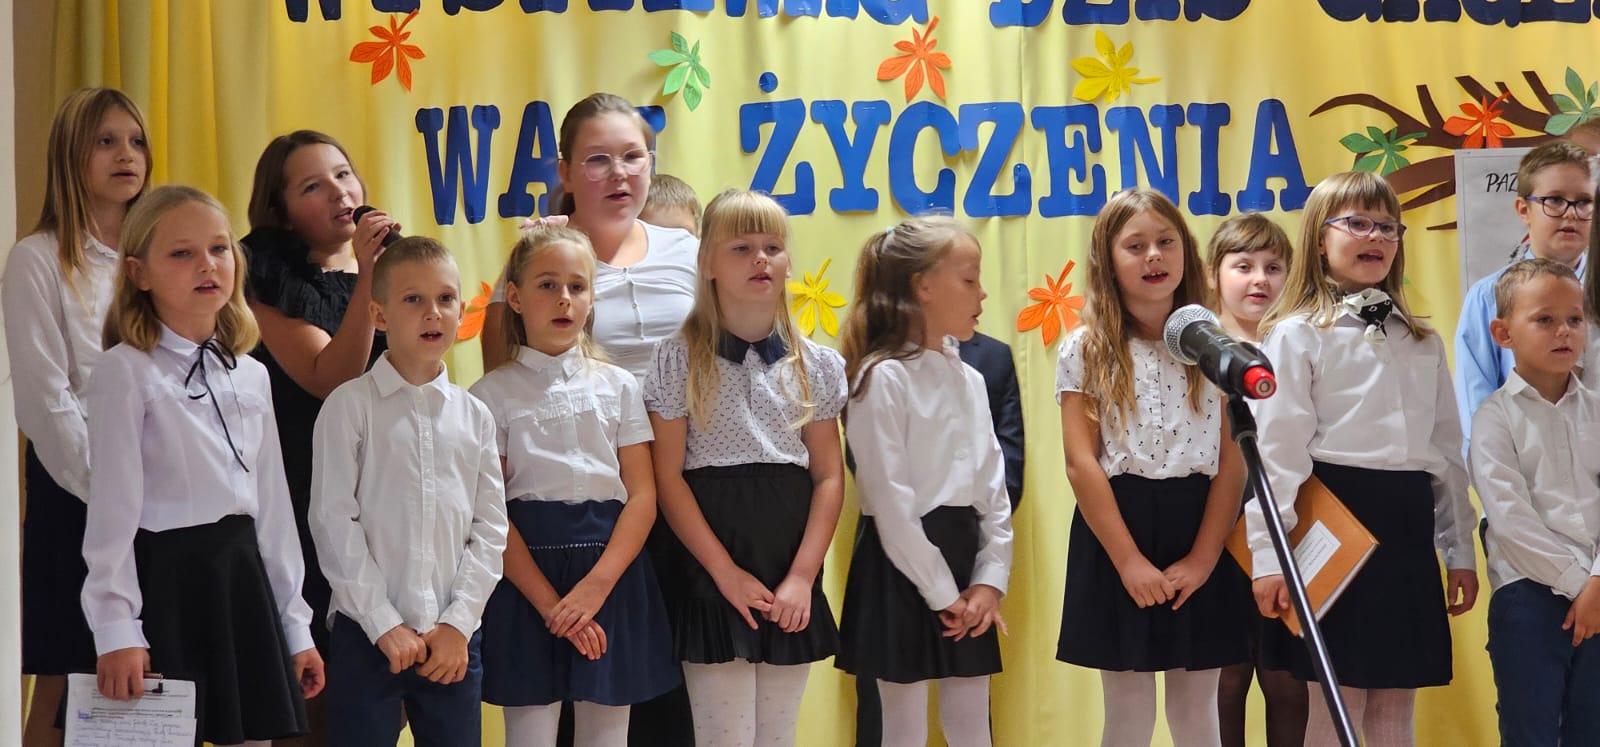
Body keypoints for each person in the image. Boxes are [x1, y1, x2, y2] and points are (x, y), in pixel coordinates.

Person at [83, 185, 323, 744]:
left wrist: (295, 627)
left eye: (218, 249)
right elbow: (112, 514)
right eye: (181, 253)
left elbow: (273, 513)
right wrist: (117, 628)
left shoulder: (251, 374)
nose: (207, 265)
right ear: (139, 273)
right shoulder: (126, 371)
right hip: (167, 587)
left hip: (242, 583)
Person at [1250, 171, 1478, 747]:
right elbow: (1277, 454)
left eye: (1387, 227)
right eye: (1357, 223)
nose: (1375, 236)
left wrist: (1458, 549)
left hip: (1405, 525)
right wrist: (1269, 556)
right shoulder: (1297, 335)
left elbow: (1445, 455)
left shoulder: (1422, 340)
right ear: (1318, 239)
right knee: (1337, 699)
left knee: (1396, 700)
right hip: (1334, 518)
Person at [643, 190, 845, 747]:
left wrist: (803, 576)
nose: (760, 259)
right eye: (741, 248)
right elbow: (668, 478)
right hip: (713, 566)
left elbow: (829, 477)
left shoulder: (816, 364)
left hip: (788, 565)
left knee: (777, 735)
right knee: (724, 736)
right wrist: (724, 573)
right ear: (707, 262)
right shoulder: (678, 359)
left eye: (772, 247)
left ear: (788, 262)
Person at [1056, 189, 1250, 747]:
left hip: (1201, 524)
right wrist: (1128, 562)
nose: (1154, 256)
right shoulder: (1086, 348)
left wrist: (1204, 559)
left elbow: (1232, 465)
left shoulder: (1216, 347)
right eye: (1135, 246)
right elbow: (1080, 463)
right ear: (1107, 259)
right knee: (1128, 713)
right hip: (1118, 527)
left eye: (1166, 242)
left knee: (1197, 711)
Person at [473, 226, 680, 746]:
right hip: (526, 575)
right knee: (529, 736)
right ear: (515, 297)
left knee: (606, 736)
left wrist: (596, 587)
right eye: (547, 285)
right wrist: (550, 605)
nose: (564, 298)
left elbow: (643, 496)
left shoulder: (619, 386)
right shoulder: (489, 396)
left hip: (610, 571)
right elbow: (491, 513)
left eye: (577, 286)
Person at [309, 237, 508, 747]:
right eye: (413, 299)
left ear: (461, 310)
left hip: (452, 639)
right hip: (366, 634)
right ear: (379, 314)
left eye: (445, 298)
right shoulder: (349, 407)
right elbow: (332, 522)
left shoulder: (475, 416)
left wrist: (459, 623)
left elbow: (490, 529)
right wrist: (383, 623)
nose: (433, 312)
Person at [3, 87, 150, 746]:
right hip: (78, 492)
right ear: (70, 153)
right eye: (106, 141)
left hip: (162, 495)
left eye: (137, 141)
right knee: (68, 678)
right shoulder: (37, 259)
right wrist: (113, 492)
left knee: (152, 681)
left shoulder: (159, 258)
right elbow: (46, 400)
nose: (127, 155)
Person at [835, 216, 1014, 747]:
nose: (982, 293)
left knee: (971, 724)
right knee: (903, 727)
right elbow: (890, 503)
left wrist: (989, 579)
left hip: (965, 560)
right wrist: (941, 592)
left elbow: (994, 490)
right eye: (969, 279)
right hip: (903, 565)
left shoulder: (971, 378)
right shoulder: (883, 378)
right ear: (923, 287)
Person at [243, 131, 394, 694]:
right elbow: (331, 379)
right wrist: (371, 277)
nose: (338, 192)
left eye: (343, 174)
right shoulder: (265, 274)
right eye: (312, 186)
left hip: (384, 490)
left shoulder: (392, 263)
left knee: (390, 672)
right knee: (316, 679)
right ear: (281, 211)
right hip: (305, 490)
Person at [1469, 259, 1600, 747]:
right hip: (1529, 594)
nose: (1564, 331)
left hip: (1599, 590)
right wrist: (1579, 585)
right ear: (1503, 333)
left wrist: (1597, 581)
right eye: (1545, 319)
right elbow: (1509, 519)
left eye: (1574, 318)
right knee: (1531, 732)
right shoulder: (1493, 419)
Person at [480, 93, 698, 378]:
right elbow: (499, 385)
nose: (618, 172)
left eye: (632, 157)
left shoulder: (688, 249)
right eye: (598, 159)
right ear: (566, 173)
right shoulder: (536, 259)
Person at [1204, 213, 1307, 747]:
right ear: (1214, 274)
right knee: (1223, 679)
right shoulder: (1196, 352)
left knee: (1287, 677)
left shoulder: (1299, 343)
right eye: (1243, 266)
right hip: (1212, 531)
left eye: (1273, 267)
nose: (1259, 279)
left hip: (1285, 526)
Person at [1456, 141, 1594, 447]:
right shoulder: (1488, 297)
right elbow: (1475, 407)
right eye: (1554, 200)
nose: (1571, 214)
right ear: (1523, 210)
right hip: (1523, 466)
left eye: (1584, 202)